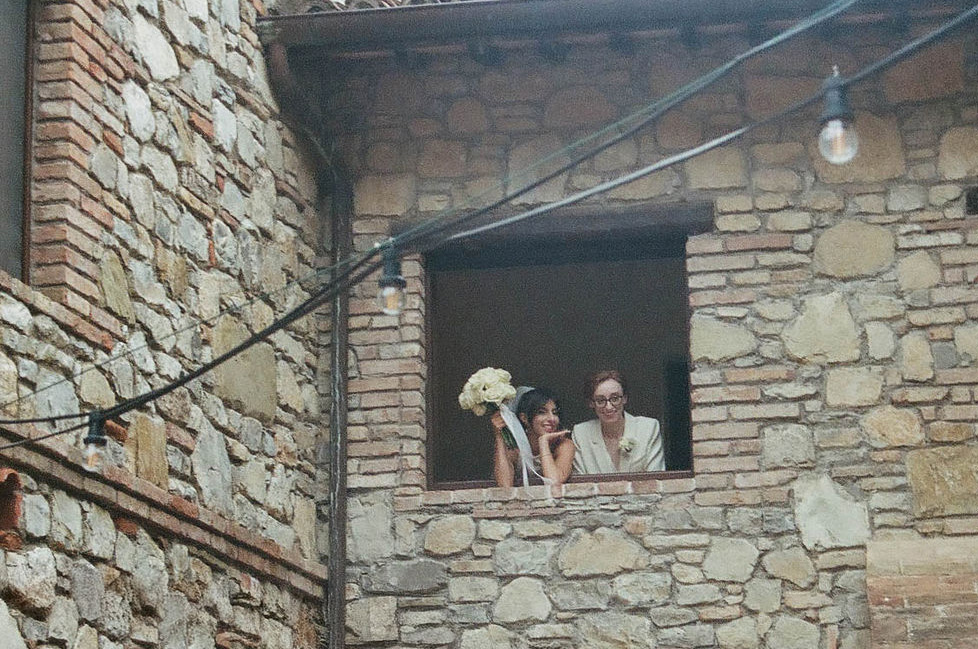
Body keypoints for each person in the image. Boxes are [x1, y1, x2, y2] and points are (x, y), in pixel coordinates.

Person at [572, 369, 664, 474]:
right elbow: (580, 481)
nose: (609, 407)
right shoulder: (581, 434)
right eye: (601, 401)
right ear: (591, 403)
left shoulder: (648, 428)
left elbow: (656, 478)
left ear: (624, 398)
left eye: (615, 398)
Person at [490, 387, 575, 487]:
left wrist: (543, 442)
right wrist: (499, 436)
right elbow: (505, 485)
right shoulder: (514, 447)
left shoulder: (564, 445)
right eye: (542, 412)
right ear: (524, 418)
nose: (552, 418)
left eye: (555, 413)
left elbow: (554, 481)